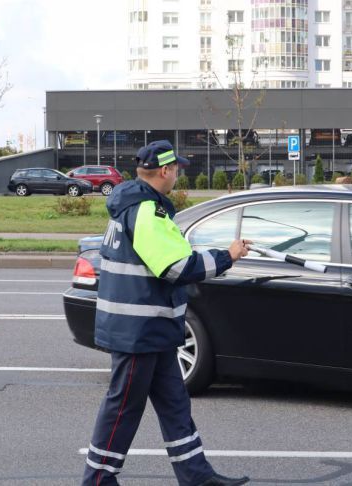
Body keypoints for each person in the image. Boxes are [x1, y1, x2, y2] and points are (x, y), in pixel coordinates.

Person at [82, 140, 250, 486]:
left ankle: (197, 477)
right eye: (177, 168)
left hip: (150, 329)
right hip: (138, 332)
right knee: (123, 409)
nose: (177, 174)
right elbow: (176, 267)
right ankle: (98, 479)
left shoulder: (136, 205)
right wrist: (227, 257)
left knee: (175, 407)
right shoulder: (146, 211)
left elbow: (163, 255)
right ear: (164, 170)